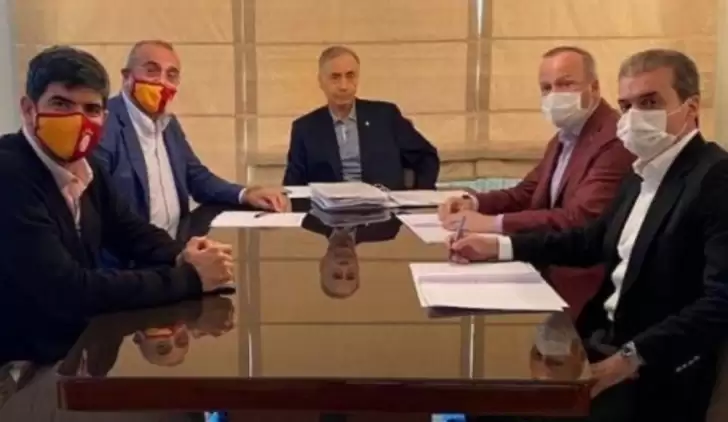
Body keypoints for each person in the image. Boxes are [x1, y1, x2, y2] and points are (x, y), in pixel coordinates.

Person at [453, 49, 728, 421]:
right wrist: (499, 246)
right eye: (626, 105)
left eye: (650, 103)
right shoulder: (641, 172)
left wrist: (629, 358)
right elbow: (589, 241)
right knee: (481, 401)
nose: (633, 117)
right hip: (599, 341)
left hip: (657, 368)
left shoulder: (715, 178)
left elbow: (720, 301)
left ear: (691, 107)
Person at [0, 46, 234, 365]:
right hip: (22, 367)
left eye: (91, 109)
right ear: (29, 109)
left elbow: (130, 231)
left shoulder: (87, 167)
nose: (78, 120)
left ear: (104, 118)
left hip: (76, 348)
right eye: (61, 104)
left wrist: (183, 254)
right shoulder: (9, 174)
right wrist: (190, 278)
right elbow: (68, 291)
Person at [438, 46, 635, 317]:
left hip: (584, 285)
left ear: (594, 87)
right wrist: (473, 202)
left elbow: (580, 219)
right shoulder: (564, 137)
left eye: (565, 84)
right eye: (546, 88)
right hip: (544, 264)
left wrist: (493, 224)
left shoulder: (614, 140)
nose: (554, 95)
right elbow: (527, 191)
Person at [96, 40, 287, 242]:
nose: (162, 82)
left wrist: (245, 194)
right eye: (151, 71)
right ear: (127, 76)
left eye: (171, 75)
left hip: (178, 242)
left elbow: (195, 177)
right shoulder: (104, 123)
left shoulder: (169, 124)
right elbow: (102, 209)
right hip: (132, 254)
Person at [283, 45, 440, 190]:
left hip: (383, 206)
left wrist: (417, 197)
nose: (344, 86)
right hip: (330, 209)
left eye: (350, 76)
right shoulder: (305, 129)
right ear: (321, 81)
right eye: (335, 77)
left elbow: (426, 158)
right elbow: (293, 185)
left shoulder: (386, 116)